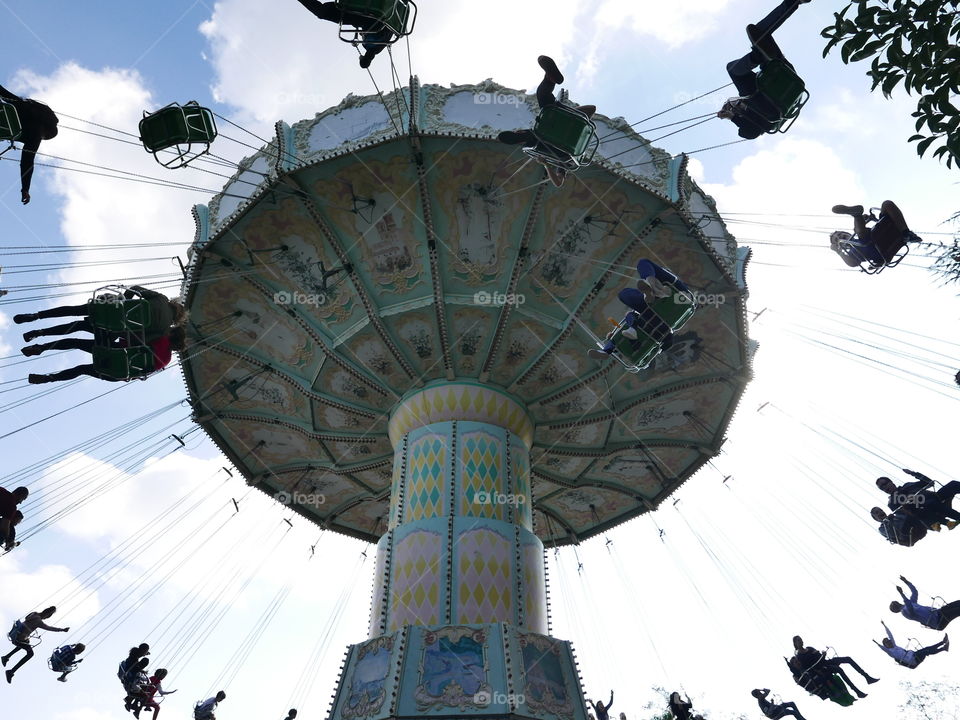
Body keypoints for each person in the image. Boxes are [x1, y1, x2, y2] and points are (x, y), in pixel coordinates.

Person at [497, 56, 597, 187]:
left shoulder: (563, 159)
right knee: (543, 97)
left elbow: (558, 182)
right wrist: (568, 112)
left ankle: (551, 78)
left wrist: (546, 164)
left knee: (541, 128)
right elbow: (592, 109)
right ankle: (550, 79)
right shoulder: (562, 158)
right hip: (551, 132)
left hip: (555, 136)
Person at [718, 0, 811, 139]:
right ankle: (757, 57)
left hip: (784, 74)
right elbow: (749, 132)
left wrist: (734, 112)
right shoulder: (762, 116)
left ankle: (792, 2)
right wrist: (732, 117)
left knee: (761, 33)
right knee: (733, 70)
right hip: (767, 97)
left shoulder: (773, 109)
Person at [589, 260, 691, 360]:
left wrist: (615, 335)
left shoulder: (655, 334)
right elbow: (664, 345)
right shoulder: (661, 337)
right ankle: (654, 291)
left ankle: (608, 350)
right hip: (662, 315)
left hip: (660, 312)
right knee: (626, 303)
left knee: (626, 299)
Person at [15, 286, 188, 343]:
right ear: (176, 321)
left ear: (174, 304)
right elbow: (139, 338)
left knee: (73, 310)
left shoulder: (161, 298)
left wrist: (124, 302)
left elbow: (134, 289)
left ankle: (36, 315)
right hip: (114, 326)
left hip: (110, 309)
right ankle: (39, 334)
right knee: (78, 327)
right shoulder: (164, 330)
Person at [23, 326, 187, 384]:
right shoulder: (165, 360)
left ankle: (41, 347)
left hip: (113, 352)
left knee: (76, 342)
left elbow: (127, 342)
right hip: (117, 373)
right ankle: (48, 379)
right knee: (81, 369)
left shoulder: (161, 339)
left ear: (172, 333)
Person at [0, 83, 58, 205]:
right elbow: (27, 163)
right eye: (46, 137)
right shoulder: (35, 137)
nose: (43, 139)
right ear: (46, 130)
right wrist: (25, 189)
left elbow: (2, 92)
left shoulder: (21, 105)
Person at [295, 0, 398, 68]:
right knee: (323, 12)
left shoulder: (386, 37)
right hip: (370, 16)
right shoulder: (373, 46)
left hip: (371, 16)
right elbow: (371, 48)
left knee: (326, 12)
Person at [830, 201, 920, 267]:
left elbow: (866, 229)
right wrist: (839, 252)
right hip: (880, 251)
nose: (840, 236)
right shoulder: (852, 253)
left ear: (847, 233)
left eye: (840, 234)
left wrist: (870, 219)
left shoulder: (858, 232)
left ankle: (906, 233)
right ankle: (857, 215)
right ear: (839, 245)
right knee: (861, 233)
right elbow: (853, 263)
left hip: (884, 234)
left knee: (886, 204)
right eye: (837, 239)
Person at [789, 635, 878, 699]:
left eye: (801, 639)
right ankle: (857, 691)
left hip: (825, 661)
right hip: (821, 668)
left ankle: (867, 677)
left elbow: (818, 654)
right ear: (795, 644)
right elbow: (809, 667)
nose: (801, 641)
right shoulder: (799, 657)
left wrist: (823, 654)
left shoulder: (809, 648)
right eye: (798, 641)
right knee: (839, 670)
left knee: (848, 659)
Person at [2, 606, 69, 683]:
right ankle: (11, 671)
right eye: (47, 617)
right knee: (30, 654)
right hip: (18, 638)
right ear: (47, 615)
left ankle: (6, 657)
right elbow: (49, 628)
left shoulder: (34, 613)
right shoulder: (39, 621)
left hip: (15, 633)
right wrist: (62, 630)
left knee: (26, 643)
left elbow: (27, 619)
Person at [877, 469, 960, 529]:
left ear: (891, 482)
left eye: (885, 484)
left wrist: (913, 473)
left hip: (936, 498)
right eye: (882, 487)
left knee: (953, 484)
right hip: (927, 512)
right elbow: (904, 515)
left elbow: (929, 482)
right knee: (929, 503)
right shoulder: (892, 502)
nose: (885, 487)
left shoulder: (908, 485)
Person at [890, 575, 960, 631]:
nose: (896, 604)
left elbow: (914, 592)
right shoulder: (904, 612)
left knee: (957, 603)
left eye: (894, 603)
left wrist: (906, 582)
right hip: (938, 621)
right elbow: (909, 607)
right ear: (896, 610)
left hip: (938, 613)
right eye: (894, 606)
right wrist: (901, 594)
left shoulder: (912, 602)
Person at [873, 621, 949, 669]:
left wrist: (884, 625)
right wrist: (876, 643)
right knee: (927, 651)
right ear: (886, 646)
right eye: (887, 643)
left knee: (927, 649)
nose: (889, 642)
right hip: (913, 660)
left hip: (914, 655)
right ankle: (943, 648)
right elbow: (883, 649)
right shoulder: (891, 653)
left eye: (889, 641)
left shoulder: (895, 646)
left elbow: (890, 635)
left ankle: (942, 643)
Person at [0, 486, 28, 551]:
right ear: (20, 496)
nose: (20, 502)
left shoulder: (2, 490)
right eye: (22, 499)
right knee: (2, 535)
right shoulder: (11, 506)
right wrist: (8, 540)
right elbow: (4, 526)